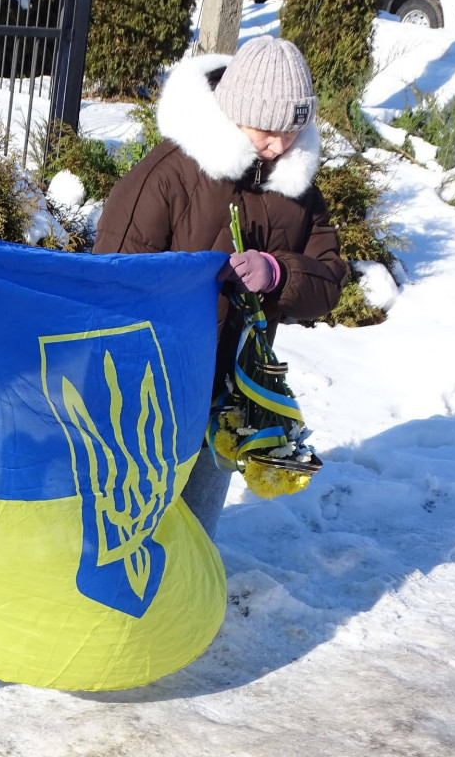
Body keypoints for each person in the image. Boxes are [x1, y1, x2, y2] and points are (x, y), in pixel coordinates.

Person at [93, 35, 348, 538]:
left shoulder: (297, 189)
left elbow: (331, 279)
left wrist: (278, 274)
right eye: (268, 131)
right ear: (235, 112)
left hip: (229, 396)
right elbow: (110, 280)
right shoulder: (170, 176)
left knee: (195, 528)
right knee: (134, 524)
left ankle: (190, 615)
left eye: (293, 131)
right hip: (153, 392)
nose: (280, 146)